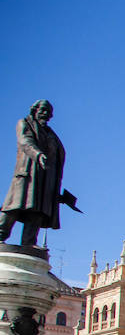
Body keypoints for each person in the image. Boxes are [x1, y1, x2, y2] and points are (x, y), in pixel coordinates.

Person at [0, 100, 79, 247]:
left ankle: (28, 243)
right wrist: (37, 154)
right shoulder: (25, 123)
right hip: (28, 173)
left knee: (38, 211)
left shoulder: (51, 134)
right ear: (34, 110)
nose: (46, 114)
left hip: (47, 178)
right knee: (14, 206)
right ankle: (1, 234)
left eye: (49, 112)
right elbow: (25, 142)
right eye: (43, 110)